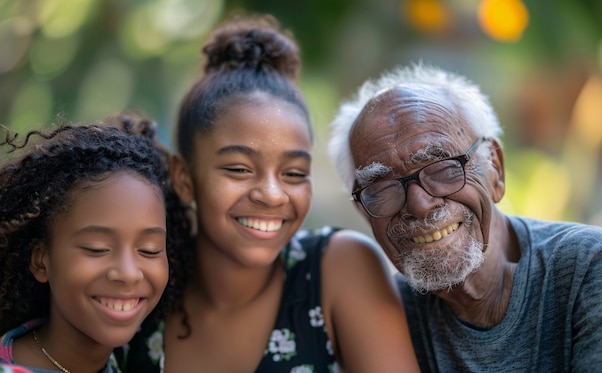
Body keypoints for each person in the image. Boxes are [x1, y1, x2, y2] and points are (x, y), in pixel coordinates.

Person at [115, 14, 420, 373]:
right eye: (239, 169)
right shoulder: (139, 294)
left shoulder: (337, 268)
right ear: (184, 178)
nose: (272, 195)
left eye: (294, 173)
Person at [327, 62, 602, 372]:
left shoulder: (587, 265)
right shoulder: (384, 321)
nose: (419, 205)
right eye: (384, 187)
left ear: (494, 169)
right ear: (363, 210)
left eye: (442, 167)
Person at [0, 114, 188, 373]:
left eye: (149, 250)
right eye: (97, 248)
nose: (128, 273)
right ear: (41, 260)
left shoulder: (132, 357)